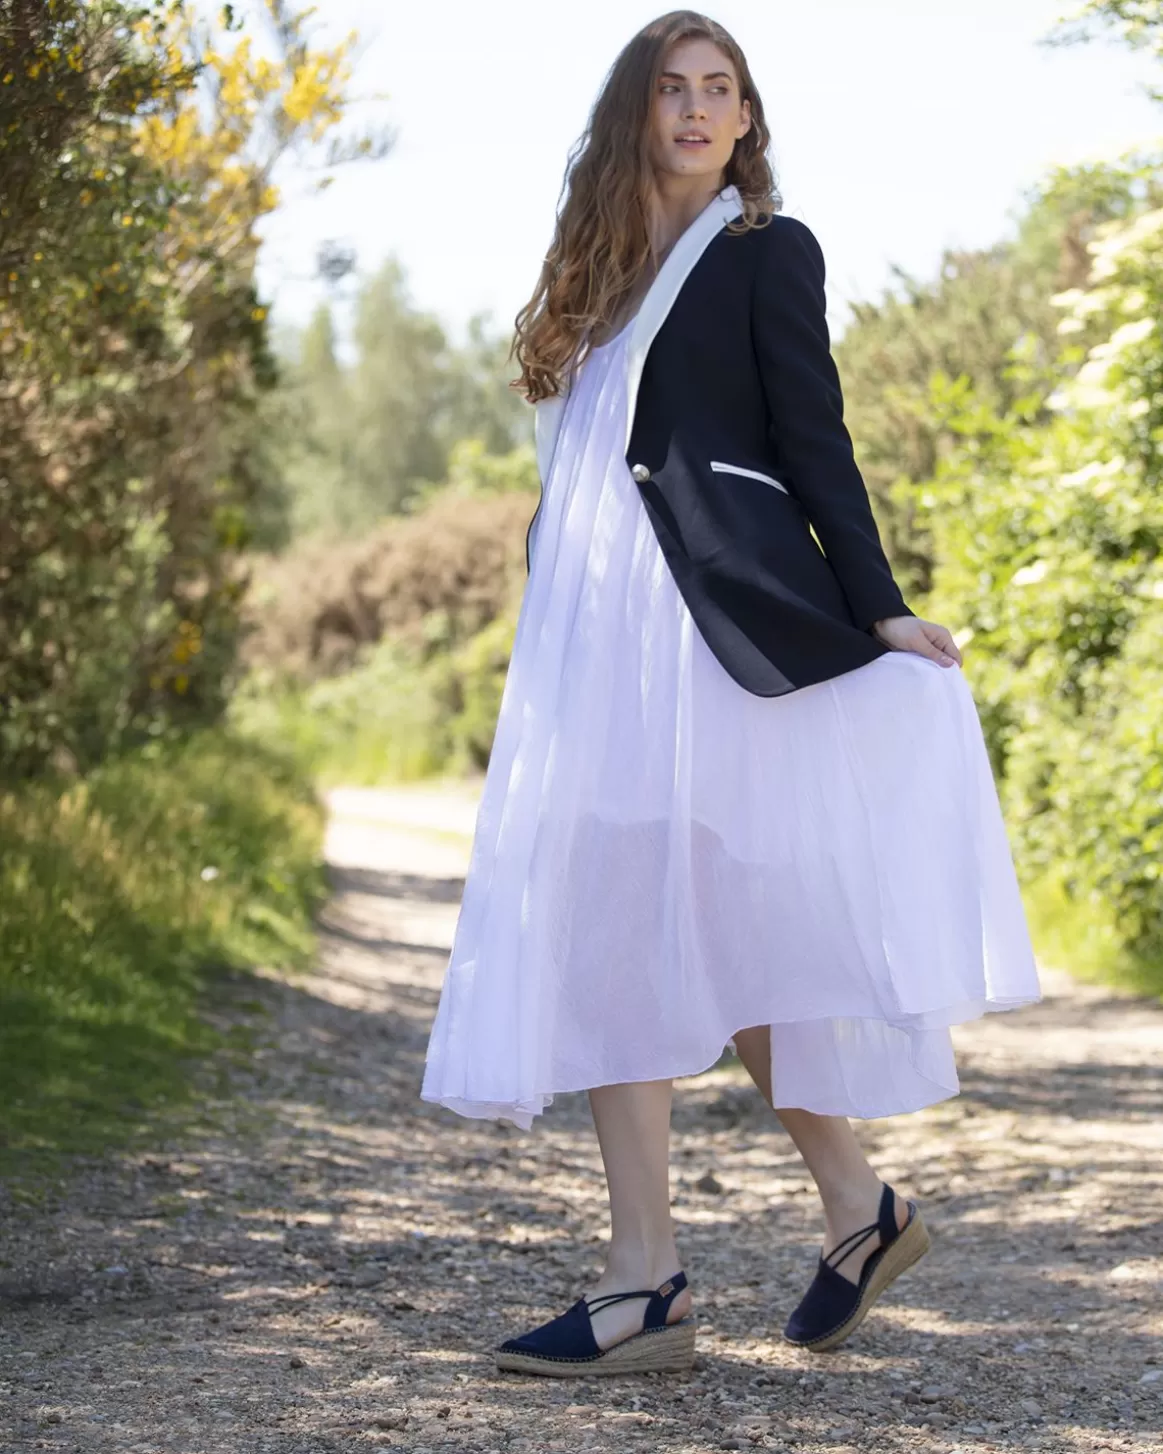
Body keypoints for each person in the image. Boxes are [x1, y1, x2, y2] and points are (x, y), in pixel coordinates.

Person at [421, 8, 1041, 1377]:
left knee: (666, 903)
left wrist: (877, 602)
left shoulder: (768, 251)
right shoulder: (591, 270)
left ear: (748, 120)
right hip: (596, 628)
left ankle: (659, 1276)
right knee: (646, 905)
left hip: (700, 626)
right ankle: (836, 1211)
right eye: (673, 89)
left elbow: (811, 435)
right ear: (633, 113)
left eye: (722, 91)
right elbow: (584, 456)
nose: (698, 110)